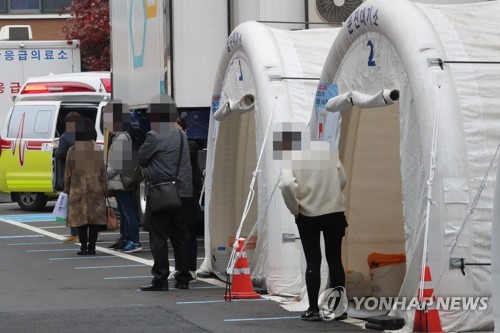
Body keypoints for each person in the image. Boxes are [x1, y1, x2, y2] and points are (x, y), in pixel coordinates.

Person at [279, 149, 348, 321]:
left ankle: (313, 309)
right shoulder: (326, 151)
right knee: (335, 260)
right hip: (334, 211)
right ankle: (338, 308)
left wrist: (295, 209)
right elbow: (343, 178)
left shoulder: (290, 157)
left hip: (308, 214)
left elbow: (286, 184)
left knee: (313, 261)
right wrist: (331, 193)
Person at [138, 104, 193, 291]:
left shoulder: (154, 136)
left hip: (161, 192)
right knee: (181, 236)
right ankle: (183, 277)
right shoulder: (181, 135)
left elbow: (141, 159)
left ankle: (160, 278)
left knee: (159, 236)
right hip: (183, 191)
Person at [166, 118, 203, 282]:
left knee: (189, 233)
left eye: (178, 130)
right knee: (177, 234)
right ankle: (181, 267)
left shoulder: (191, 145)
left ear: (185, 131)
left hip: (189, 195)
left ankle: (191, 268)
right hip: (175, 194)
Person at [64, 118, 107, 255]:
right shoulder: (97, 150)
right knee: (93, 220)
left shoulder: (73, 151)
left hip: (78, 190)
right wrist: (105, 188)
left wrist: (66, 189)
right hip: (96, 189)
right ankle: (92, 247)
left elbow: (68, 173)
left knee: (81, 220)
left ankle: (83, 247)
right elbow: (102, 172)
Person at [106, 106, 145, 253]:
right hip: (122, 180)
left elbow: (117, 163)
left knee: (128, 211)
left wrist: (106, 175)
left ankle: (134, 241)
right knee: (124, 211)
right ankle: (125, 238)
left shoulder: (121, 138)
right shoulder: (122, 136)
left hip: (120, 181)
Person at [54, 112, 82, 243]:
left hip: (70, 174)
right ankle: (86, 232)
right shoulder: (85, 135)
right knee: (83, 204)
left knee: (72, 205)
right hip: (84, 173)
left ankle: (75, 233)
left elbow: (60, 154)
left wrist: (55, 150)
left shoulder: (65, 137)